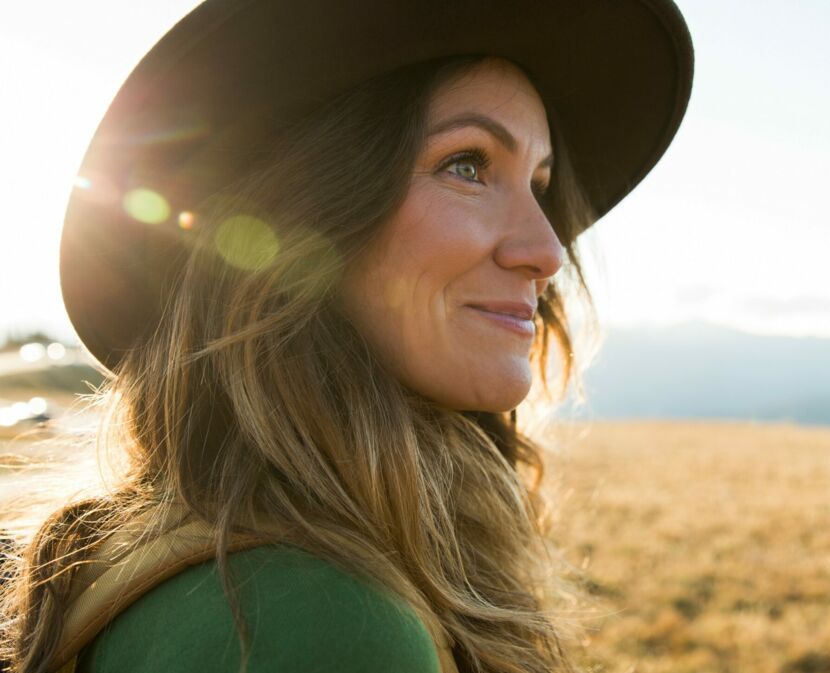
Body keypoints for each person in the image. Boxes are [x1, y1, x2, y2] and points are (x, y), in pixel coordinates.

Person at [0, 2, 693, 673]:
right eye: (469, 165)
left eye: (539, 186)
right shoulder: (316, 622)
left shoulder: (202, 549)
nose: (546, 249)